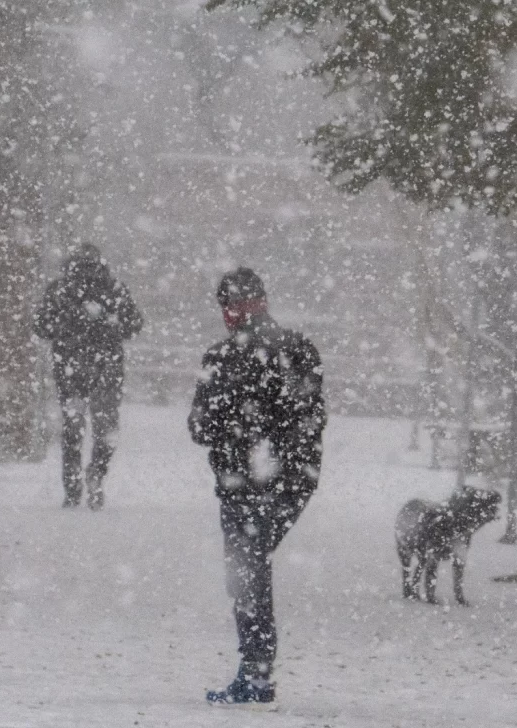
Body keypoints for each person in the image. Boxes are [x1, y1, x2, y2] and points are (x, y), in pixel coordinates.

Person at [188, 267, 326, 705]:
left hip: (244, 481)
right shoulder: (299, 349)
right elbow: (309, 417)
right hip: (290, 480)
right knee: (252, 567)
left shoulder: (223, 357)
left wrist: (235, 423)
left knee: (248, 572)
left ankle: (256, 672)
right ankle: (256, 671)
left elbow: (200, 426)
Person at [34, 243, 142, 510]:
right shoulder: (114, 289)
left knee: (72, 432)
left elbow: (41, 326)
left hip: (70, 372)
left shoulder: (59, 290)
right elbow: (134, 324)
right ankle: (96, 472)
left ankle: (72, 488)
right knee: (105, 430)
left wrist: (68, 324)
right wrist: (109, 321)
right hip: (107, 369)